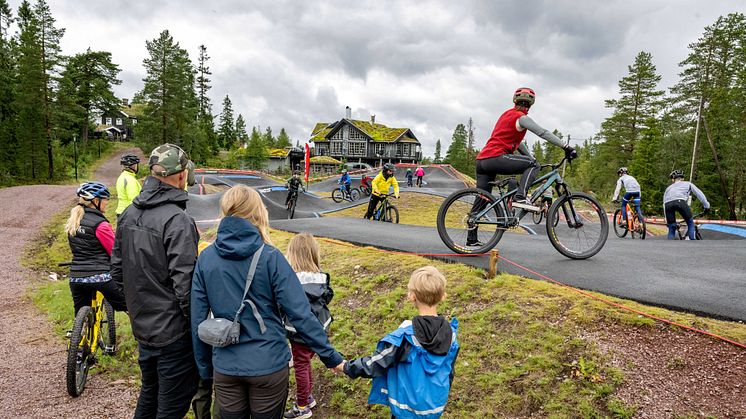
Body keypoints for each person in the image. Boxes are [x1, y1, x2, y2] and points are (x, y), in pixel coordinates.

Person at [191, 185, 345, 419]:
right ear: (257, 212)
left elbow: (198, 318)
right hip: (268, 364)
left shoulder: (206, 258)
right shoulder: (271, 257)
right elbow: (301, 315)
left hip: (225, 365)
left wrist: (205, 367)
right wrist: (330, 356)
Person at [111, 143, 200, 418]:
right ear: (182, 176)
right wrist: (194, 330)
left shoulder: (128, 214)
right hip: (173, 334)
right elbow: (186, 287)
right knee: (171, 406)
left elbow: (116, 270)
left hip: (145, 328)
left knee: (149, 395)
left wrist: (138, 310)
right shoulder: (177, 220)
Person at [343, 266, 459, 419]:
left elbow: (376, 363)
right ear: (443, 296)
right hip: (434, 408)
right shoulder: (451, 335)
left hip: (405, 411)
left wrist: (346, 366)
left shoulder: (404, 338)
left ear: (412, 296)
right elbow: (449, 371)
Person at [467, 87, 576, 246]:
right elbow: (542, 132)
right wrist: (565, 146)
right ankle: (521, 197)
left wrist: (530, 158)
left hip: (483, 160)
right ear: (531, 104)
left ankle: (471, 240)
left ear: (515, 100)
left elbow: (518, 144)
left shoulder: (506, 114)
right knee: (533, 165)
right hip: (496, 156)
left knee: (483, 197)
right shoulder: (521, 117)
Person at [283, 233, 334, 419]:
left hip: (300, 332)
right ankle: (308, 397)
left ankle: (302, 405)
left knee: (301, 365)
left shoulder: (291, 280)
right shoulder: (321, 277)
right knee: (305, 362)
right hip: (320, 329)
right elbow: (327, 297)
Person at [65, 182, 127, 322]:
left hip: (76, 277)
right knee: (128, 304)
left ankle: (78, 339)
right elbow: (114, 252)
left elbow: (78, 249)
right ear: (96, 201)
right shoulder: (101, 225)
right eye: (105, 199)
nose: (106, 203)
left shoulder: (74, 221)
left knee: (80, 314)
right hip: (100, 277)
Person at [663, 170, 710, 240]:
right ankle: (692, 241)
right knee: (690, 223)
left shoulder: (668, 188)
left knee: (671, 228)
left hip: (668, 204)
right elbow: (700, 195)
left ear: (673, 179)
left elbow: (664, 204)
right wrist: (707, 206)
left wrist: (667, 220)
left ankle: (669, 247)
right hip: (680, 202)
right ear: (683, 178)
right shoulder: (688, 184)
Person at [115, 154, 141, 218]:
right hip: (129, 213)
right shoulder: (130, 180)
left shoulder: (122, 177)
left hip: (121, 211)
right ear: (134, 166)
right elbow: (134, 199)